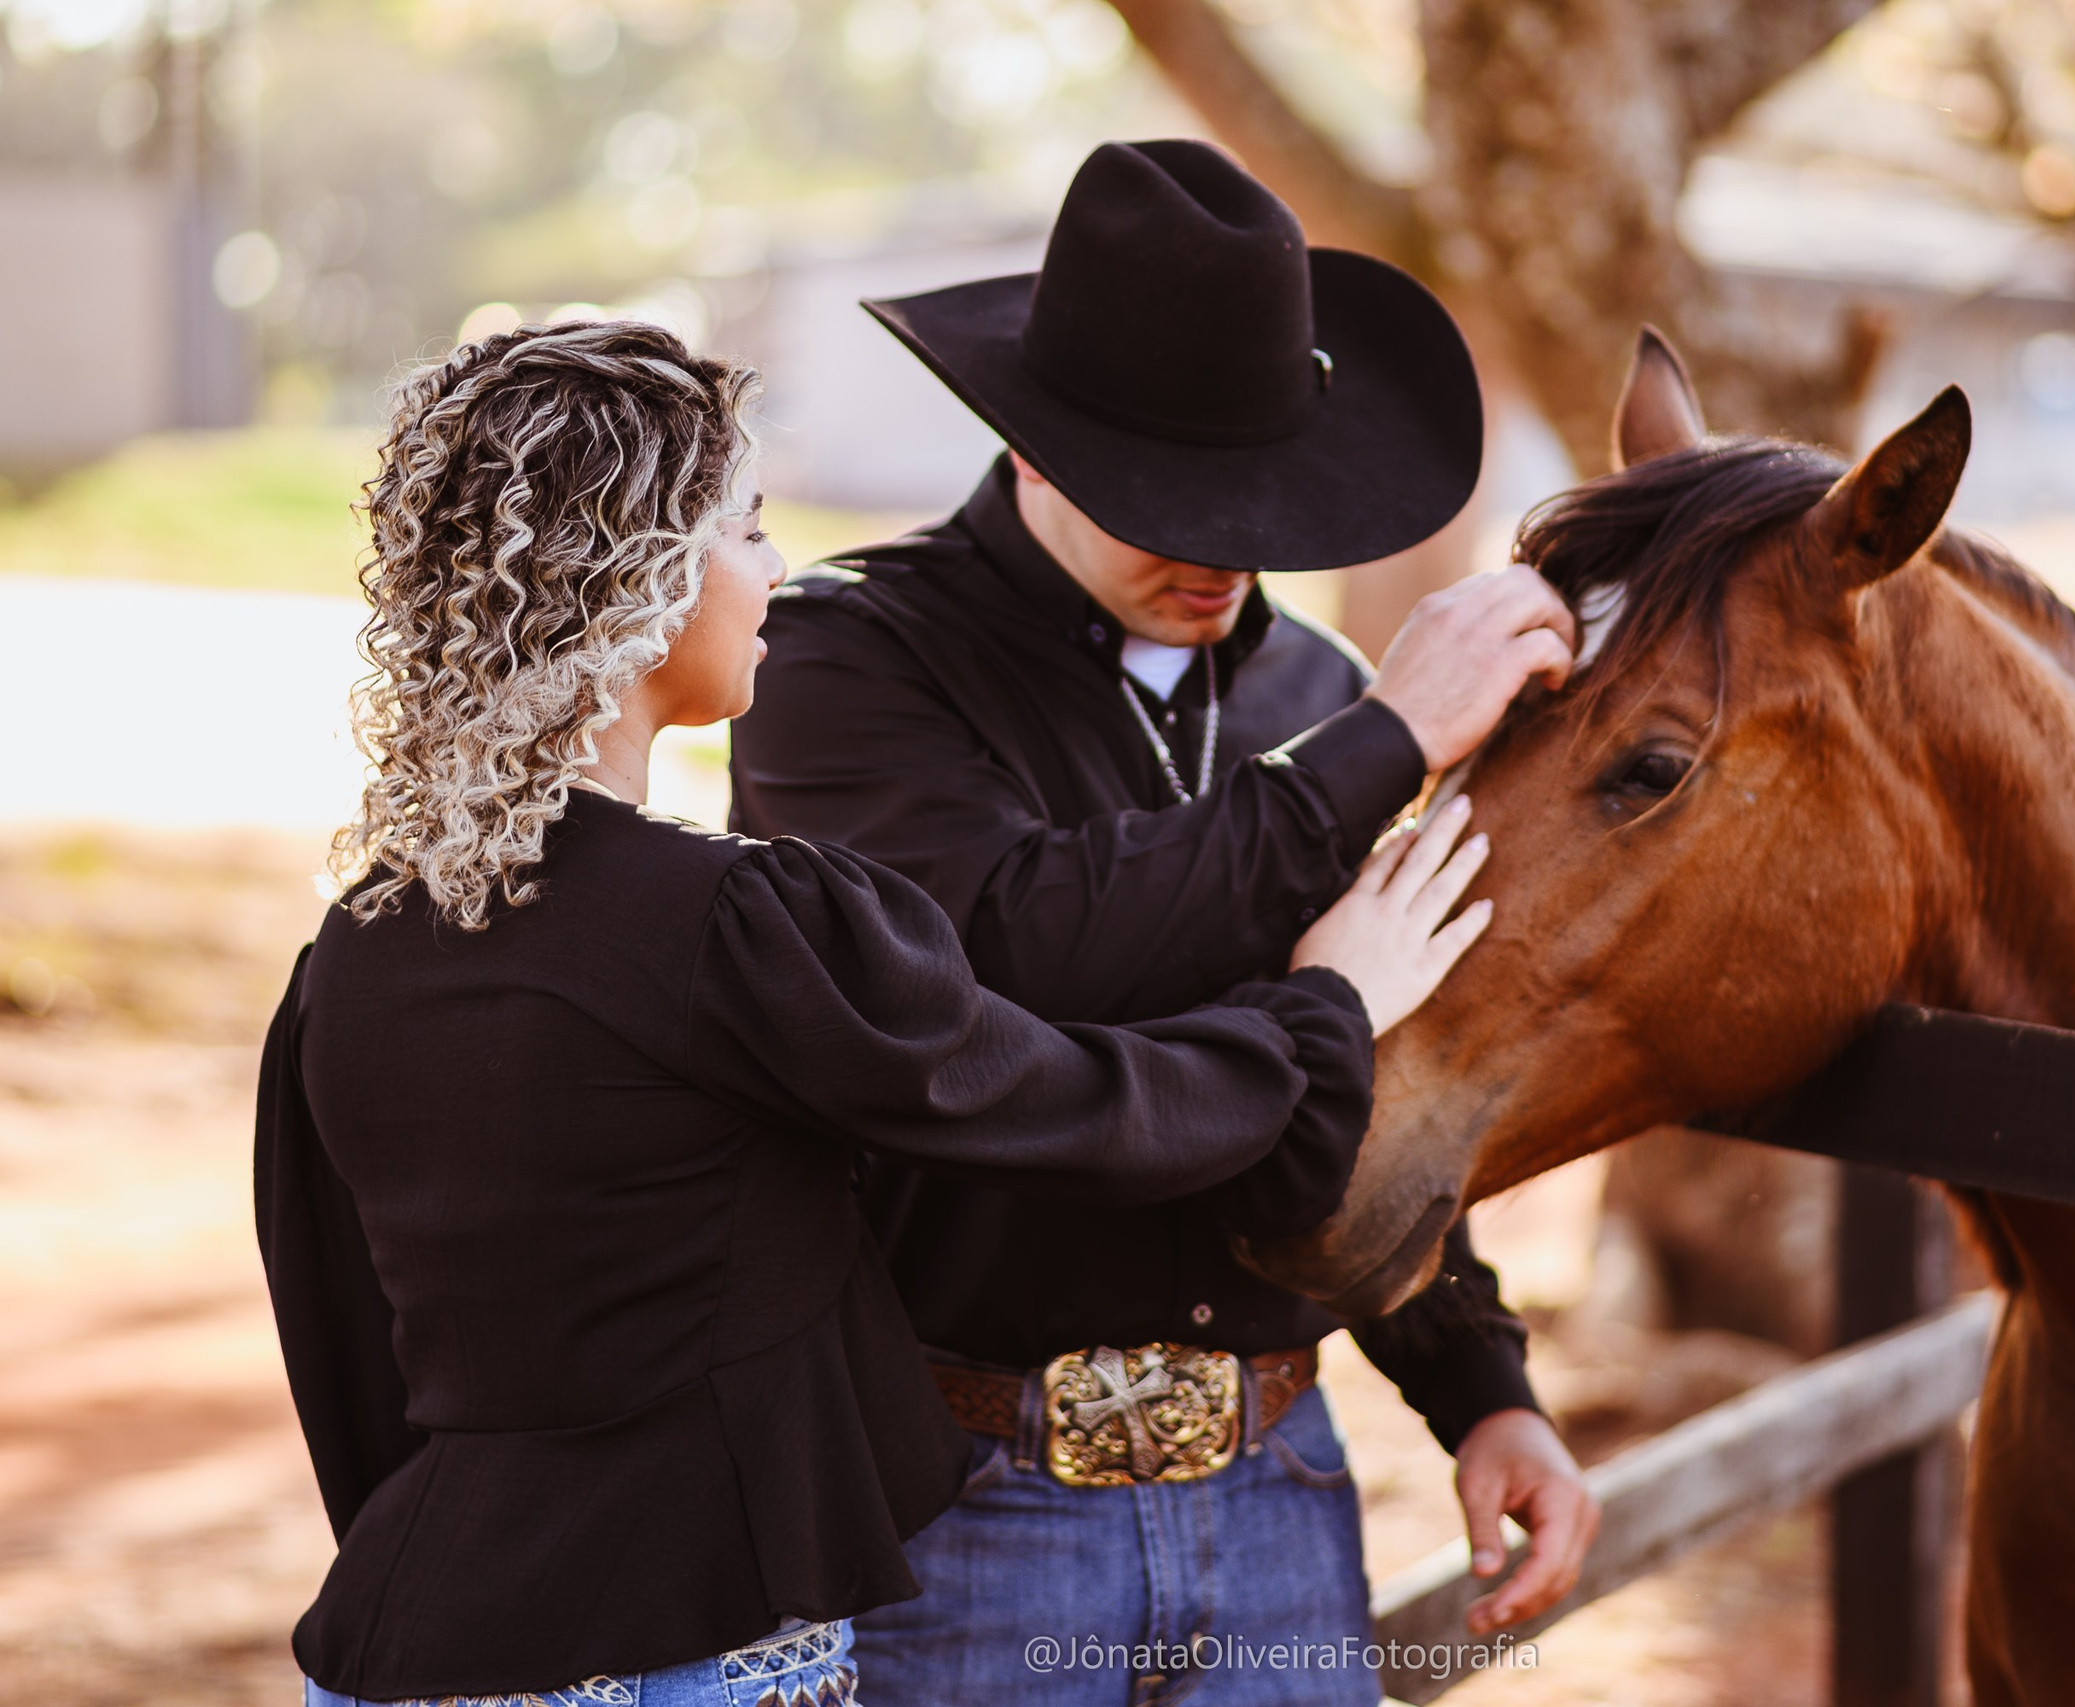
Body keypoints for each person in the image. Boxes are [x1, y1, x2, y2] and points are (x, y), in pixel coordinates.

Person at [256, 319, 1495, 1707]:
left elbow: (339, 1336)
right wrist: (1329, 1008)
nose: (776, 569)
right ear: (642, 577)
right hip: (699, 1655)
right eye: (746, 531)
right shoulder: (738, 926)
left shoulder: (353, 949)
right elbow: (1089, 1115)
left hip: (399, 1639)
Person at [729, 139, 1599, 1707]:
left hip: (1280, 1487)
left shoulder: (1320, 695)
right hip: (964, 1506)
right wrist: (1385, 752)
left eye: (1254, 497)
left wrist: (1482, 1389)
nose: (1218, 548)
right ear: (1035, 448)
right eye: (1167, 498)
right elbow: (1004, 962)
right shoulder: (846, 660)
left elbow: (1373, 1075)